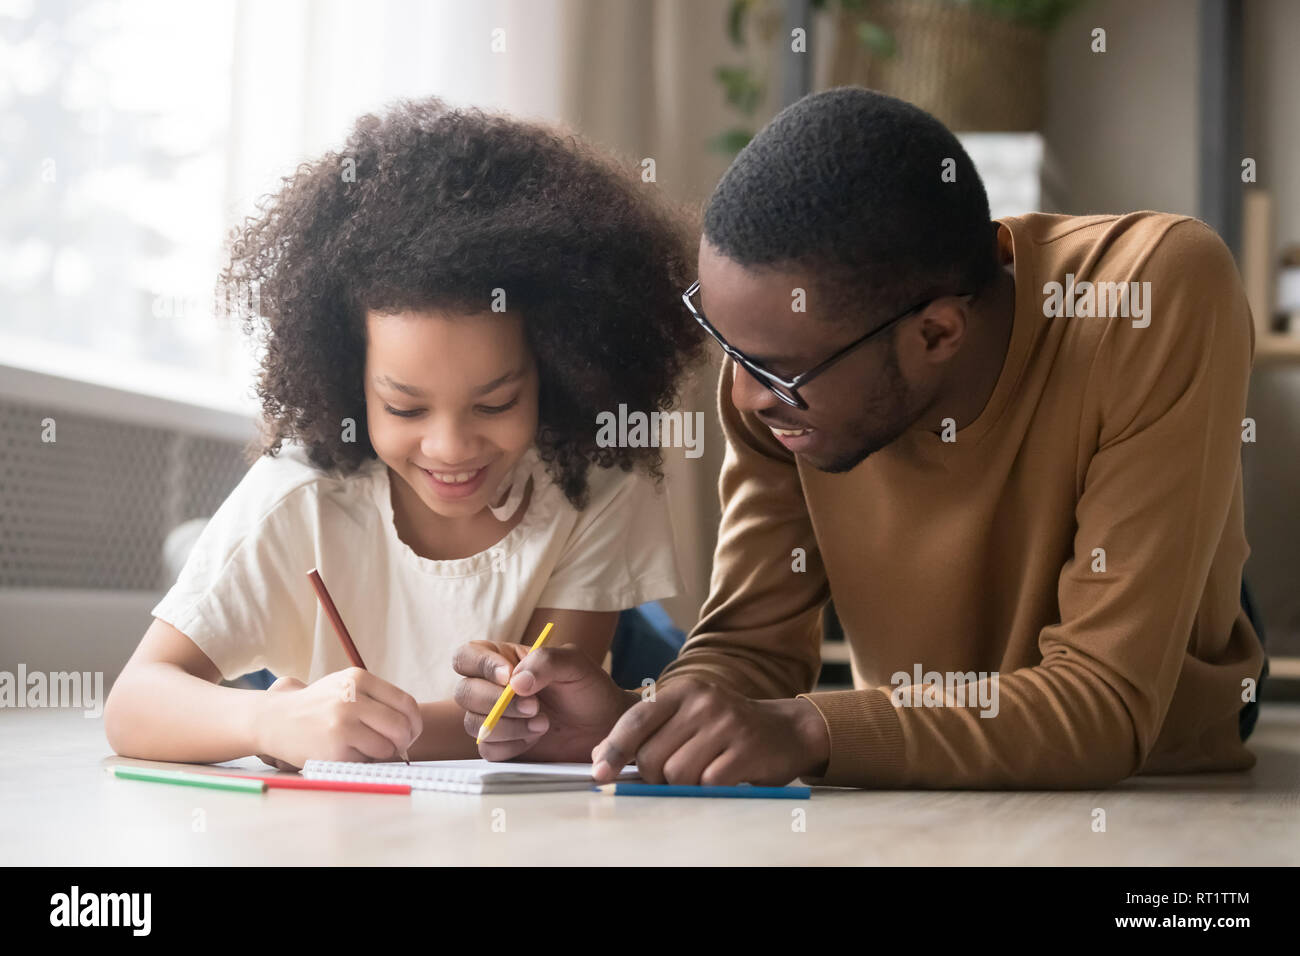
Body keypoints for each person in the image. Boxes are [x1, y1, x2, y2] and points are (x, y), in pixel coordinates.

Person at [454, 87, 1266, 790]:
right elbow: (748, 653)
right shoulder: (782, 376)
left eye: (776, 368)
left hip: (1154, 780)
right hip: (920, 783)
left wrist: (810, 730)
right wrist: (637, 721)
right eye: (726, 347)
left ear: (939, 333)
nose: (742, 396)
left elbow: (1106, 706)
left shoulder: (1149, 293)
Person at [104, 98, 700, 769]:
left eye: (496, 401)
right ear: (347, 381)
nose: (450, 447)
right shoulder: (293, 495)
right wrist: (270, 719)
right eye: (406, 409)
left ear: (559, 373)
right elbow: (133, 703)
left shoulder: (596, 484)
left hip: (638, 655)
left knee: (665, 674)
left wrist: (389, 731)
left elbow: (543, 722)